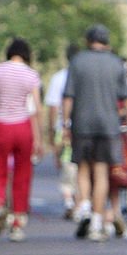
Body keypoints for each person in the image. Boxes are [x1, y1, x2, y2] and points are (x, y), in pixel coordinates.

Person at [62, 25, 127, 242]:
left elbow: (68, 96)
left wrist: (64, 124)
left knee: (83, 167)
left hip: (82, 123)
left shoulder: (78, 62)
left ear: (88, 40)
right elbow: (126, 99)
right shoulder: (116, 63)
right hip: (109, 125)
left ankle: (83, 206)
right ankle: (97, 221)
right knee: (101, 172)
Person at [0, 37, 43, 242]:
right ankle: (18, 222)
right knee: (23, 174)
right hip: (23, 127)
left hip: (1, 125)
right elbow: (37, 108)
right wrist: (40, 138)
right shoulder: (32, 74)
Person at [44, 45, 79, 219]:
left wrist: (51, 131)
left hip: (62, 127)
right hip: (82, 127)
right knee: (81, 165)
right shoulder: (83, 76)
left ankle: (69, 199)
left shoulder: (58, 78)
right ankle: (80, 200)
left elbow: (52, 108)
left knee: (66, 164)